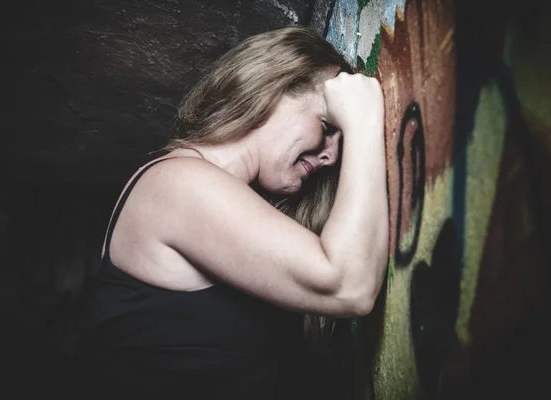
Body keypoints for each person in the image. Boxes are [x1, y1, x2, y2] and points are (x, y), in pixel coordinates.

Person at [75, 26, 389, 399]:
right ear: (271, 92)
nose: (331, 156)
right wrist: (364, 119)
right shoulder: (177, 183)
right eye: (327, 126)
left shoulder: (214, 196)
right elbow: (348, 287)